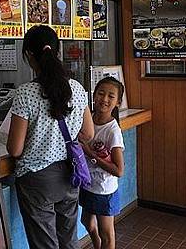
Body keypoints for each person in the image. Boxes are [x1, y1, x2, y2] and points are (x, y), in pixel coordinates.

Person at [7, 25, 94, 249]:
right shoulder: (76, 87)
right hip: (70, 173)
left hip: (37, 181)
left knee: (45, 245)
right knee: (68, 241)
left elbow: (15, 150)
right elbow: (88, 133)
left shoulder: (25, 93)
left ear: (28, 55)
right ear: (56, 51)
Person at [79, 77, 125, 249]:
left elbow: (119, 170)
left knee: (107, 235)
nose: (104, 99)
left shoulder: (113, 131)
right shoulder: (88, 118)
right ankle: (97, 244)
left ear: (118, 102)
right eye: (100, 93)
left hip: (104, 190)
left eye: (111, 96)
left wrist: (91, 155)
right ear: (94, 95)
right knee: (87, 223)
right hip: (87, 185)